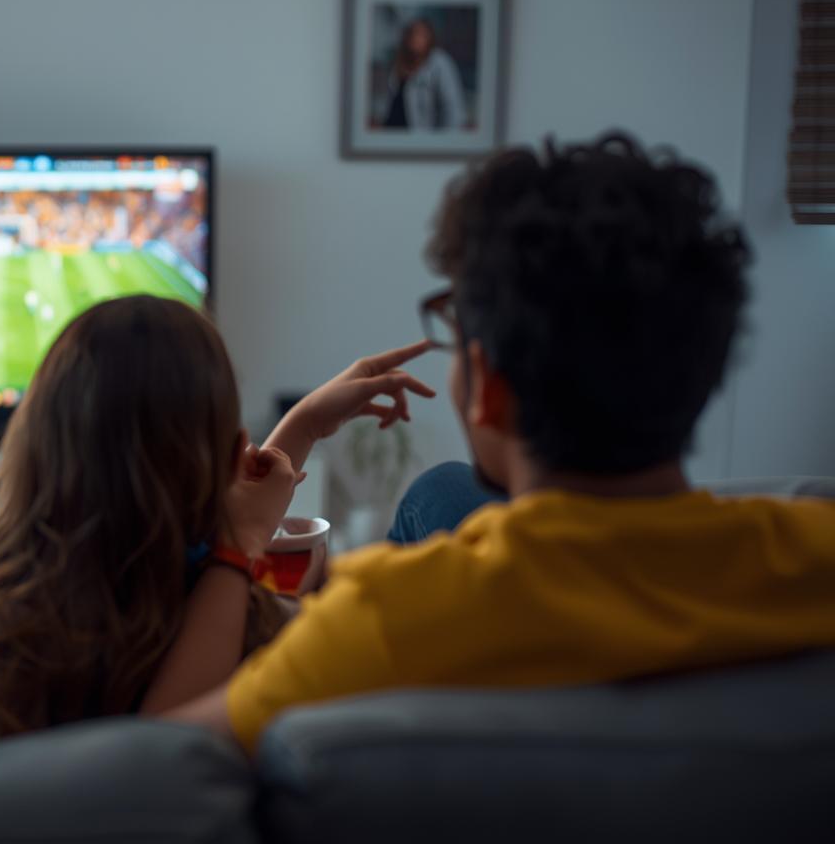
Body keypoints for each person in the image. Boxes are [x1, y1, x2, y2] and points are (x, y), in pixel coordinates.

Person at [169, 133, 835, 751]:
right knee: (443, 490)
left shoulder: (385, 617)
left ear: (486, 387)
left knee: (442, 491)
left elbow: (164, 757)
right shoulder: (811, 551)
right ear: (707, 364)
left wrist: (234, 549)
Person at [0, 295, 433, 754]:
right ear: (234, 458)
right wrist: (297, 431)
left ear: (30, 447)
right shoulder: (281, 642)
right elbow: (226, 557)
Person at [377, 17, 469, 131]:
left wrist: (444, 144)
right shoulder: (397, 62)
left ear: (429, 38)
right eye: (411, 33)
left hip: (424, 143)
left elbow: (452, 111)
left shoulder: (440, 63)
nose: (414, 38)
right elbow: (384, 105)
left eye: (420, 34)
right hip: (392, 138)